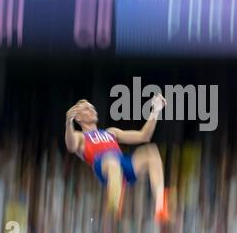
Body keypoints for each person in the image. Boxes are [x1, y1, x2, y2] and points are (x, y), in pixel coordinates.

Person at [65, 94, 169, 223]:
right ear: (78, 117)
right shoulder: (79, 137)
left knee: (151, 152)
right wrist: (68, 122)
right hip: (103, 166)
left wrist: (156, 110)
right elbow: (71, 146)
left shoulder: (111, 132)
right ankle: (114, 206)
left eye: (92, 108)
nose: (92, 110)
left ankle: (160, 205)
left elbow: (144, 136)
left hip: (123, 164)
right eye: (86, 109)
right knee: (111, 160)